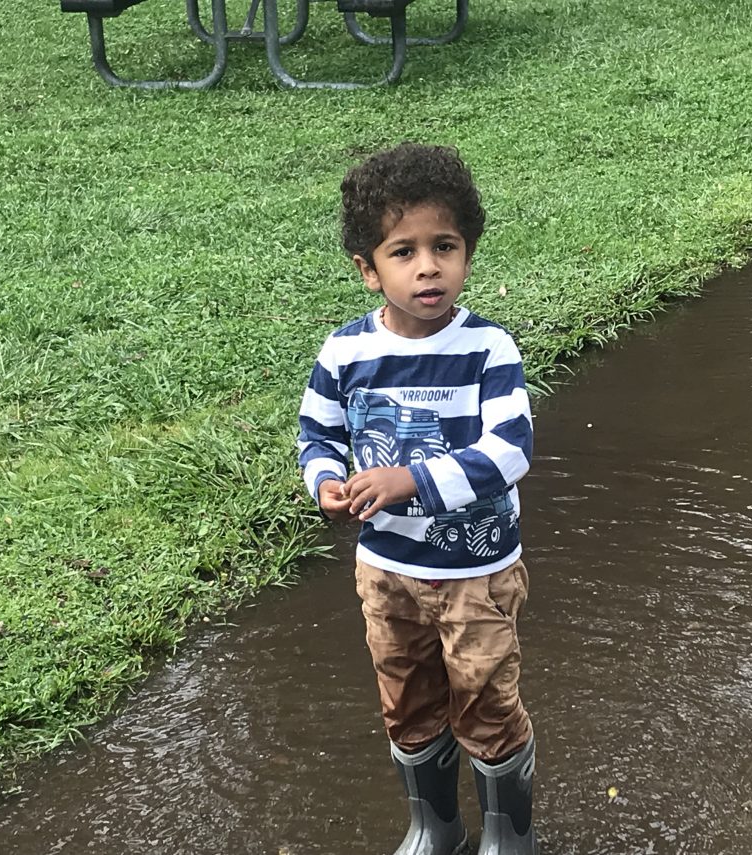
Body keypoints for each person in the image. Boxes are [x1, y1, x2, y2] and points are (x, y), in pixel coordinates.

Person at [297, 143, 537, 855]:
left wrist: (413, 479)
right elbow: (316, 436)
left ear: (468, 252)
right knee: (405, 702)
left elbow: (510, 449)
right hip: (388, 571)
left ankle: (508, 836)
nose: (427, 266)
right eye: (403, 251)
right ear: (368, 269)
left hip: (477, 575)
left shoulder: (488, 349)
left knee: (489, 700)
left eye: (445, 246)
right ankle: (434, 826)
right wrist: (326, 484)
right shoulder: (344, 354)